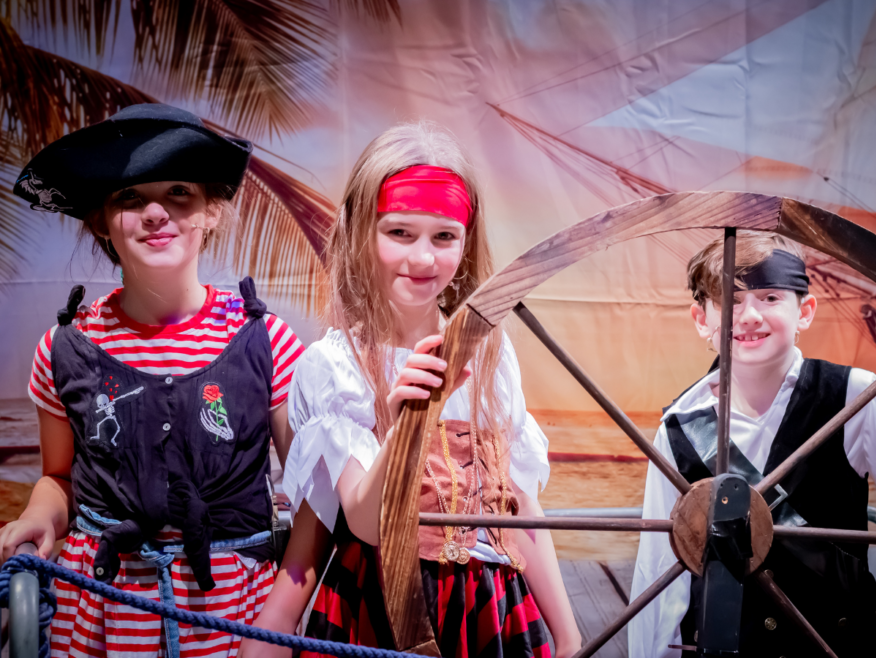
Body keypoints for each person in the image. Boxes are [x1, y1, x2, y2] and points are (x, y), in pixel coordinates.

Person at [241, 122, 581, 658]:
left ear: (466, 243)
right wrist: (405, 425)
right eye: (399, 232)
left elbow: (517, 504)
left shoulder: (491, 352)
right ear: (362, 233)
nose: (423, 258)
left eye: (444, 236)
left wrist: (568, 634)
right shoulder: (335, 367)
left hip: (486, 610)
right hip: (380, 606)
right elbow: (362, 522)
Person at [0, 103, 304, 658]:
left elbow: (313, 500)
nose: (156, 213)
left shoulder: (269, 341)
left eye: (180, 192)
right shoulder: (64, 348)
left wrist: (280, 624)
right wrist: (39, 516)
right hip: (102, 617)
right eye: (130, 198)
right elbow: (59, 478)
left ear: (212, 211)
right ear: (101, 220)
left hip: (235, 621)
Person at [628, 231, 876, 658]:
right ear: (700, 319)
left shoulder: (854, 396)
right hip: (728, 645)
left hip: (835, 644)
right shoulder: (678, 427)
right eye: (731, 299)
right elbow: (659, 566)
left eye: (769, 298)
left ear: (805, 311)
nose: (748, 316)